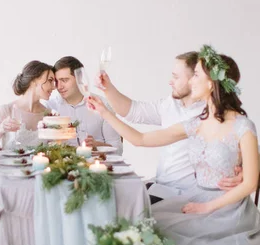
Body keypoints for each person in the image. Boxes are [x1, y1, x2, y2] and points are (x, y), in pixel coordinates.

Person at [88, 45, 260, 245]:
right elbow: (141, 140)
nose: (190, 78)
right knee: (149, 226)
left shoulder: (242, 126)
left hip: (229, 212)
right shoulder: (196, 121)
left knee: (168, 232)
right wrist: (104, 112)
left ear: (212, 83)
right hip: (196, 199)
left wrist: (208, 208)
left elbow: (250, 182)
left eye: (196, 74)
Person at [97, 51, 242, 202]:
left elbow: (236, 147)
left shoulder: (211, 117)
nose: (170, 81)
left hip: (187, 195)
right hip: (162, 186)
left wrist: (244, 172)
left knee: (123, 205)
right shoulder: (172, 105)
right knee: (117, 197)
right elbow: (133, 113)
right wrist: (107, 89)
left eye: (176, 77)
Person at [0, 61, 56, 193]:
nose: (54, 87)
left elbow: (53, 153)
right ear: (34, 80)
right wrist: (1, 129)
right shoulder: (6, 110)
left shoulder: (49, 114)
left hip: (36, 179)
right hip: (5, 179)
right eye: (50, 80)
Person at [47, 56, 122, 153]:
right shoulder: (50, 107)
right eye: (56, 82)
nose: (59, 87)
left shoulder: (101, 104)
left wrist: (96, 146)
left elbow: (118, 149)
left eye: (64, 80)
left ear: (80, 78)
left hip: (97, 163)